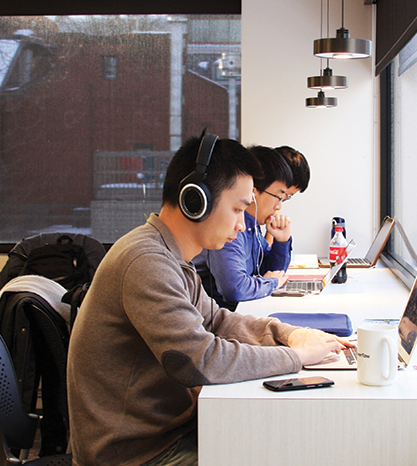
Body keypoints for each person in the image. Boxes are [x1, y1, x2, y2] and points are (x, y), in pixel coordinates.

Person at [67, 134, 350, 466]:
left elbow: (217, 321)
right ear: (195, 201)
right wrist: (295, 357)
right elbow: (200, 360)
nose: (243, 226)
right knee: (283, 452)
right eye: (238, 209)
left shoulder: (170, 257)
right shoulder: (145, 262)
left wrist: (289, 334)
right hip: (137, 453)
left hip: (167, 431)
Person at [193, 145, 295, 310]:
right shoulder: (231, 227)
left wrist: (281, 241)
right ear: (253, 191)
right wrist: (271, 282)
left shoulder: (251, 226)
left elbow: (272, 271)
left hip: (239, 313)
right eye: (278, 197)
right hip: (218, 320)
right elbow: (235, 288)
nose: (278, 207)